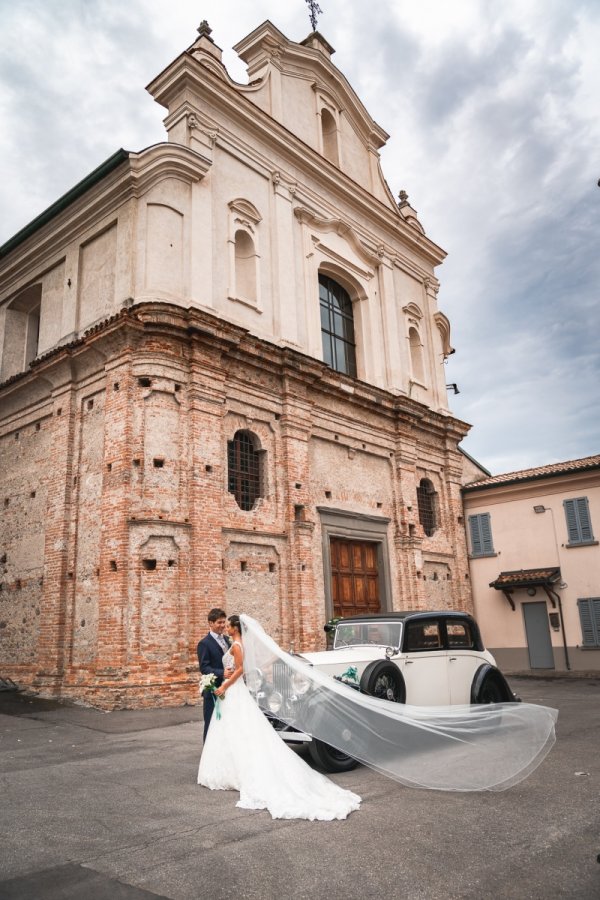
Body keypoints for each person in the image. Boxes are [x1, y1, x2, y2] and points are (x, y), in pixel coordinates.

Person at [197, 614, 361, 820]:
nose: (225, 627)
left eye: (228, 625)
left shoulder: (236, 644)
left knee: (239, 729)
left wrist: (224, 684)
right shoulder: (232, 643)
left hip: (232, 689)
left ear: (235, 628)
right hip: (233, 691)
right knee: (236, 729)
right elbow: (237, 667)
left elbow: (240, 669)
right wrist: (225, 676)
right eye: (223, 624)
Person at [197, 607, 230, 741]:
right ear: (210, 623)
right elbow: (204, 668)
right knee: (211, 724)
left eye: (224, 622)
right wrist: (222, 673)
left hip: (228, 688)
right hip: (213, 690)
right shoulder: (204, 644)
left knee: (225, 724)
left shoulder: (228, 640)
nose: (222, 625)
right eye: (219, 623)